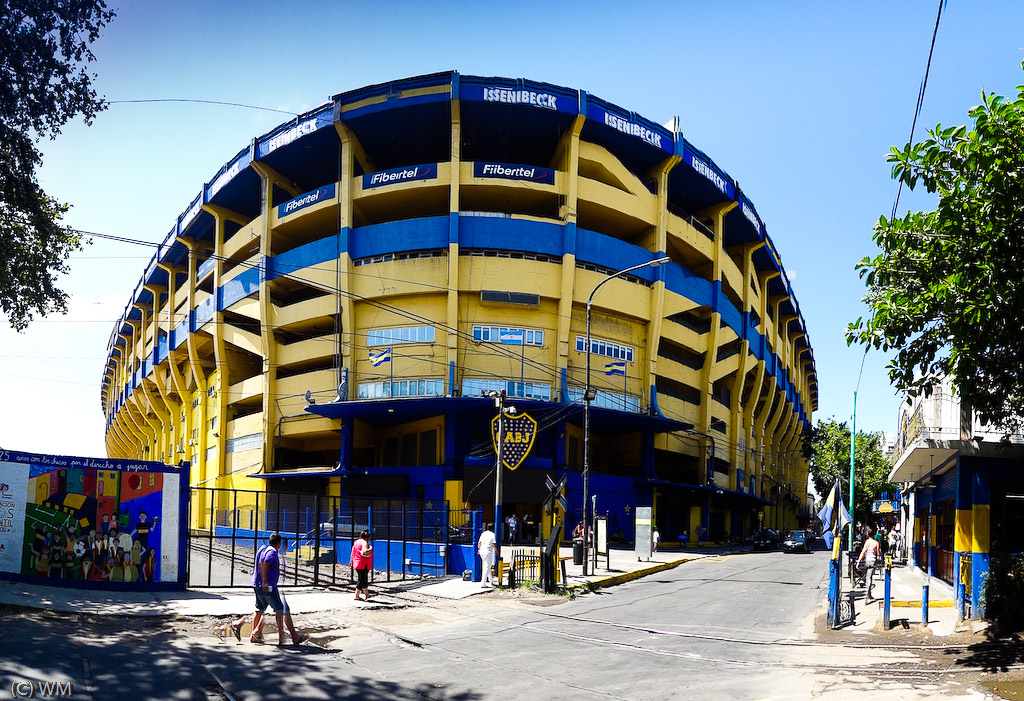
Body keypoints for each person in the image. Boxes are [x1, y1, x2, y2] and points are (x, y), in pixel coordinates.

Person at [233, 532, 292, 645]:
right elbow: (264, 564)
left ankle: (252, 634)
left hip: (257, 584)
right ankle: (281, 637)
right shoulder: (272, 552)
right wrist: (265, 582)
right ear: (279, 543)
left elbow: (261, 563)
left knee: (260, 609)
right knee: (279, 609)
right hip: (268, 586)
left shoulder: (263, 549)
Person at [856, 528, 882, 601]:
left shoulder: (867, 542)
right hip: (873, 561)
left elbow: (863, 552)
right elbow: (878, 553)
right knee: (869, 578)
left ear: (868, 535)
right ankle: (867, 595)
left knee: (867, 577)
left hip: (867, 561)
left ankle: (869, 594)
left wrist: (858, 561)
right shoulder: (876, 543)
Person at [351, 529, 373, 601]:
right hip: (363, 564)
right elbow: (365, 551)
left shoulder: (356, 542)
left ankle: (366, 594)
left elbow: (352, 552)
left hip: (357, 562)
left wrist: (351, 561)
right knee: (362, 579)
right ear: (367, 538)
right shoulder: (364, 542)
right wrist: (370, 548)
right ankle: (357, 595)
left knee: (363, 579)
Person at [478, 522, 497, 587]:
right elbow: (493, 544)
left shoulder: (483, 533)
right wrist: (496, 551)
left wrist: (479, 549)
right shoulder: (492, 535)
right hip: (488, 552)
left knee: (487, 566)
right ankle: (483, 583)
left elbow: (479, 542)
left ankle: (491, 581)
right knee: (487, 567)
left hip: (482, 551)